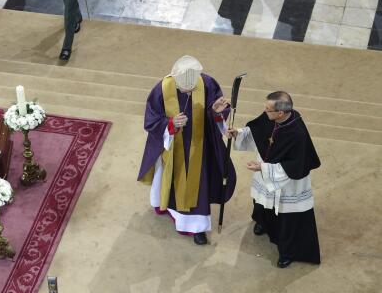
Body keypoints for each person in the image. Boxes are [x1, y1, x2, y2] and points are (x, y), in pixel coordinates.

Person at [137, 56, 236, 245]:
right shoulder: (162, 89)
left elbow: (219, 110)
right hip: (172, 146)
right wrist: (171, 124)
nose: (188, 92)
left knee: (198, 186)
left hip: (200, 146)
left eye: (191, 89)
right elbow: (151, 121)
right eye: (184, 88)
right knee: (171, 181)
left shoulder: (207, 83)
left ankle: (196, 227)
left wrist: (216, 112)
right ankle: (167, 206)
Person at [227, 91, 321, 268]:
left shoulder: (297, 133)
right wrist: (238, 133)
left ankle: (289, 251)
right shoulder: (271, 117)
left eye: (268, 109)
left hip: (286, 182)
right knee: (261, 202)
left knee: (288, 218)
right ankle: (263, 222)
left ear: (280, 113)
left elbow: (294, 166)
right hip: (267, 171)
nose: (265, 111)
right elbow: (257, 130)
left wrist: (263, 168)